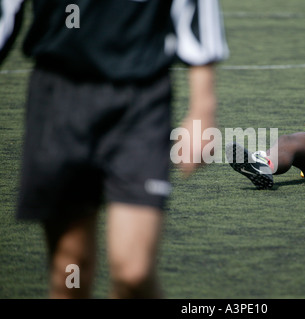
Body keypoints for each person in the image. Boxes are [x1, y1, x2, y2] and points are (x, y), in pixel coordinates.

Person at [0, 0, 228, 298]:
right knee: (70, 269)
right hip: (59, 96)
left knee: (133, 272)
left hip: (141, 98)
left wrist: (202, 108)